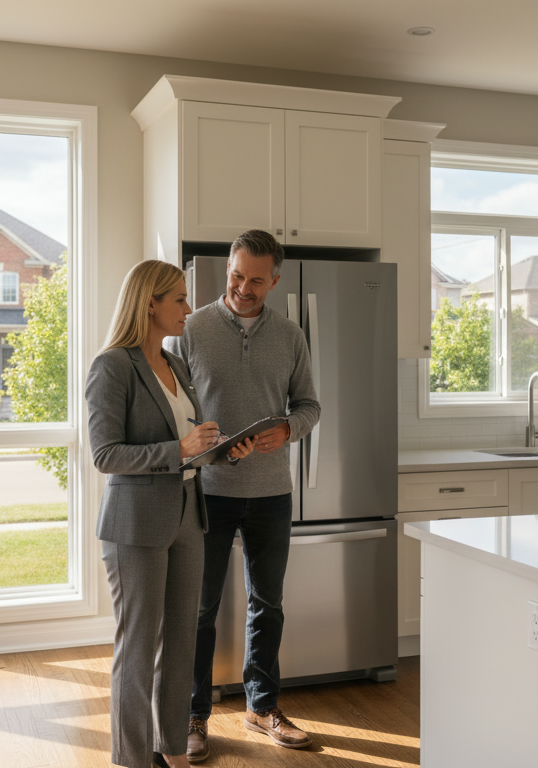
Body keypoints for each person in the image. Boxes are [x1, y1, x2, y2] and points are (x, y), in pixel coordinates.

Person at [86, 259, 254, 768]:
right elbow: (105, 455)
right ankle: (132, 759)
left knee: (181, 642)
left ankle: (173, 751)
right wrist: (177, 450)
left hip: (187, 515)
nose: (188, 307)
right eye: (178, 299)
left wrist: (223, 449)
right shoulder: (112, 366)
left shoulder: (175, 364)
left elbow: (191, 443)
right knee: (138, 649)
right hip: (135, 523)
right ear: (150, 303)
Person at [167, 229, 321, 762]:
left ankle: (262, 706)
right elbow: (174, 409)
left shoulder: (291, 335)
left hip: (272, 491)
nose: (244, 287)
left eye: (257, 280)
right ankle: (192, 715)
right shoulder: (190, 329)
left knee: (267, 604)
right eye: (236, 275)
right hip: (207, 492)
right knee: (199, 608)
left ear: (275, 280)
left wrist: (289, 430)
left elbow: (308, 405)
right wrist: (207, 444)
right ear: (227, 269)